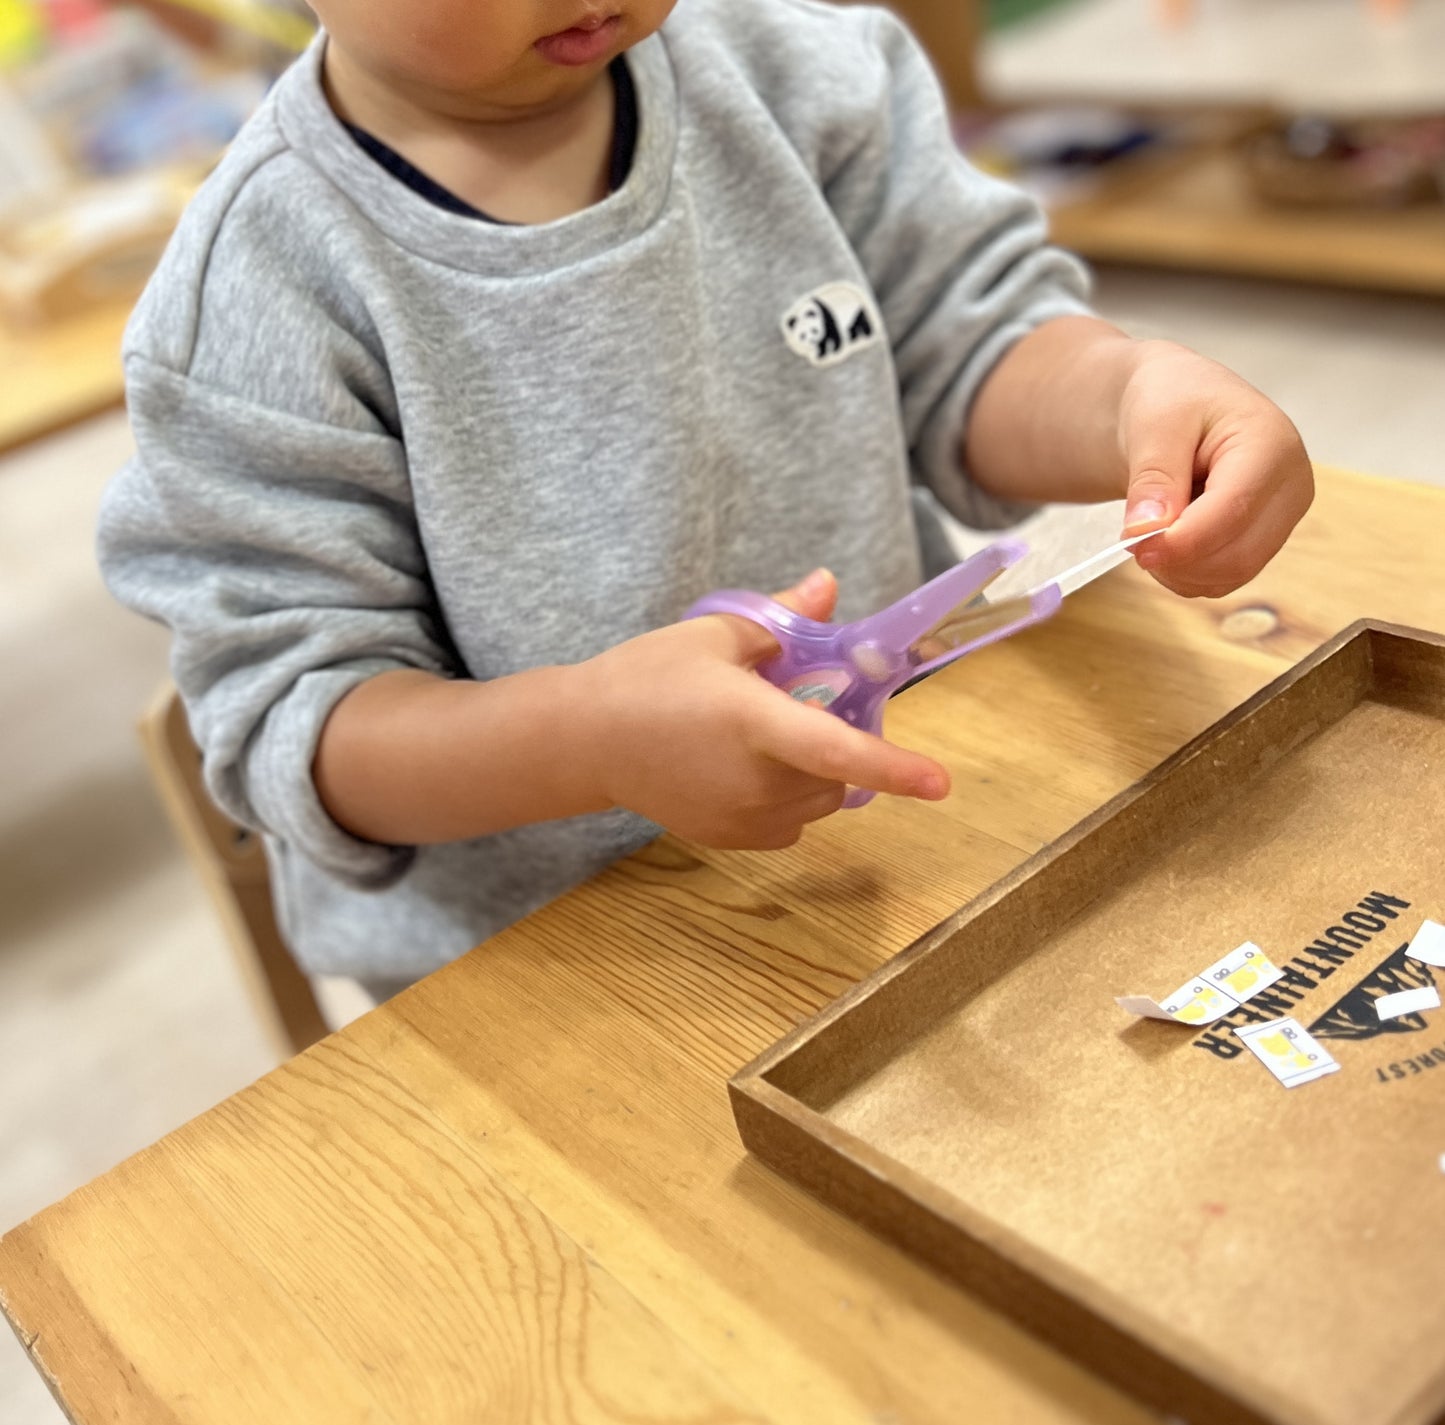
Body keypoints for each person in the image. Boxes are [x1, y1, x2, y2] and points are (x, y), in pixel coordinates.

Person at [97, 0, 1313, 994]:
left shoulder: (804, 73)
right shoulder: (248, 301)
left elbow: (964, 346)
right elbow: (299, 728)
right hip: (553, 971)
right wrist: (593, 737)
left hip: (915, 833)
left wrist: (1133, 398)